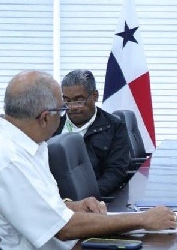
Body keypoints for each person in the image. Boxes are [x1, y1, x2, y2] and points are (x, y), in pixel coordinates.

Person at [0, 70, 177, 250]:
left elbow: (34, 206)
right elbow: (64, 229)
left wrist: (70, 205)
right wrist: (143, 219)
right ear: (45, 117)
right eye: (62, 109)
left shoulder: (26, 144)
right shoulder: (9, 158)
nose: (66, 115)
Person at [54, 69, 131, 197]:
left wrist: (88, 197)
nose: (72, 107)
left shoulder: (115, 127)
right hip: (57, 199)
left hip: (94, 199)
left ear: (94, 96)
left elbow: (116, 171)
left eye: (79, 100)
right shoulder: (53, 126)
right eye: (67, 100)